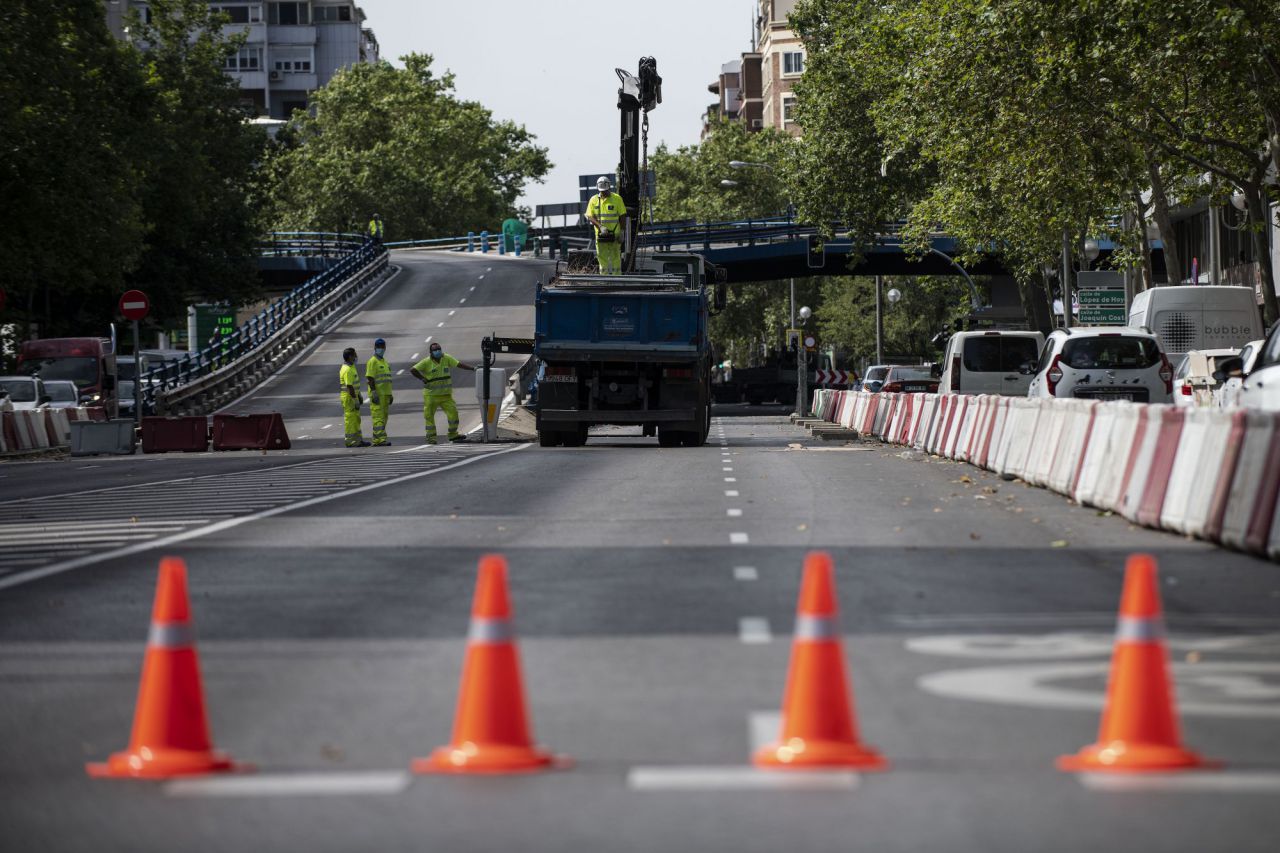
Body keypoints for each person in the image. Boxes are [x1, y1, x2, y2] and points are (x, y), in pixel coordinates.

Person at [410, 343, 476, 444]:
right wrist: (422, 378)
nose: (438, 351)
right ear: (431, 352)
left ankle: (453, 434)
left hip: (446, 395)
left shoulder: (446, 358)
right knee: (429, 417)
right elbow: (413, 370)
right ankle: (431, 438)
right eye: (435, 350)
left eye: (439, 349)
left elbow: (459, 364)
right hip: (431, 395)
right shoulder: (426, 362)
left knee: (453, 415)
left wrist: (472, 368)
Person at [585, 176, 627, 274]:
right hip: (600, 235)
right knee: (602, 258)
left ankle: (617, 278)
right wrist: (600, 227)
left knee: (615, 257)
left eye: (606, 190)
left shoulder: (617, 199)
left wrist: (622, 232)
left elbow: (623, 216)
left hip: (615, 236)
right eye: (602, 191)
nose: (604, 192)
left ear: (609, 187)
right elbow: (589, 216)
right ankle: (604, 278)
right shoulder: (593, 200)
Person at [339, 347, 369, 448]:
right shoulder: (347, 369)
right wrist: (355, 399)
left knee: (356, 419)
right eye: (355, 355)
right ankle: (351, 441)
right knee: (351, 419)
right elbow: (349, 386)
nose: (356, 357)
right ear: (350, 357)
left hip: (353, 396)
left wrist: (359, 395)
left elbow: (354, 385)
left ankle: (358, 440)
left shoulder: (351, 367)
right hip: (349, 398)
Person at [366, 337, 393, 446]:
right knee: (378, 418)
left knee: (384, 418)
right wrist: (373, 392)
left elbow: (387, 379)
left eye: (382, 347)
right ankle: (381, 439)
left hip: (385, 394)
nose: (381, 349)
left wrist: (390, 394)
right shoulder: (372, 361)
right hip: (378, 395)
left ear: (385, 348)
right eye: (378, 347)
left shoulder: (385, 362)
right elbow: (370, 378)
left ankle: (377, 439)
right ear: (375, 348)